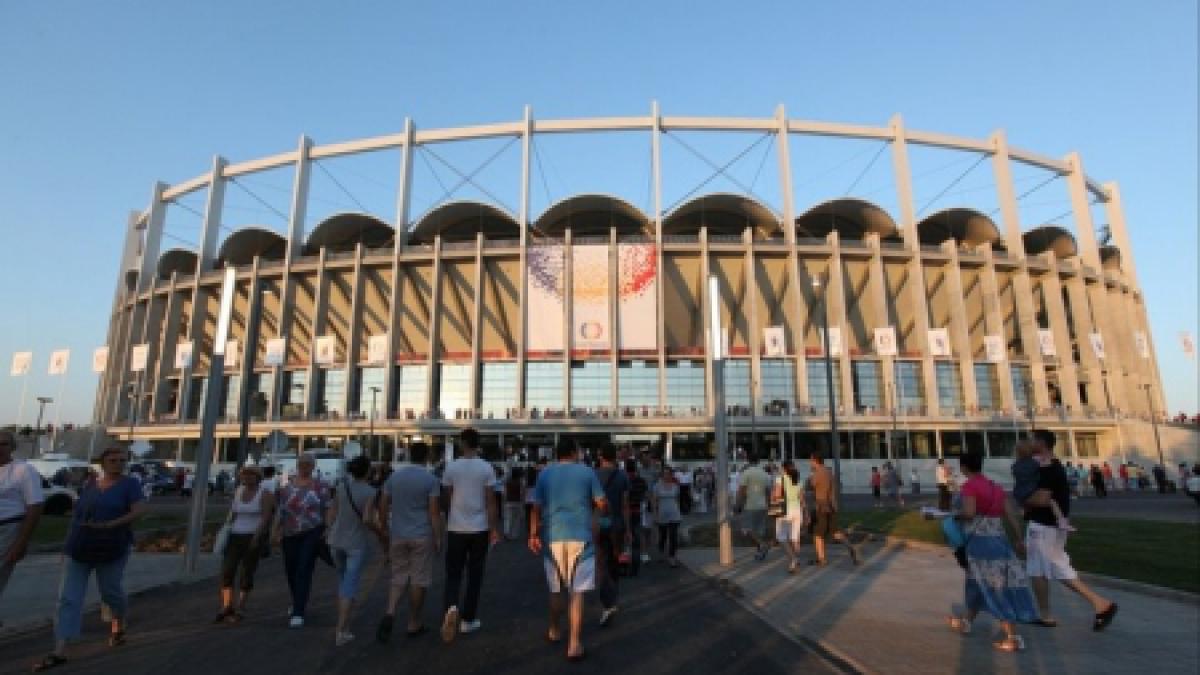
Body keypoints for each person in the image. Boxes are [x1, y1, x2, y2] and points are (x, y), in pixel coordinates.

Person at [33, 447, 146, 672]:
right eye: (113, 460)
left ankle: (119, 622)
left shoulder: (130, 484)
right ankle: (60, 649)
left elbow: (139, 510)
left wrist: (111, 525)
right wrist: (67, 547)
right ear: (102, 462)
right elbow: (77, 517)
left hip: (112, 547)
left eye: (122, 460)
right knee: (68, 598)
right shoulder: (91, 484)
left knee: (110, 591)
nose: (118, 464)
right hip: (81, 546)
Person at [1020, 429, 1118, 631]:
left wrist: (1021, 499)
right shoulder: (1049, 467)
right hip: (1053, 525)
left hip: (1044, 525)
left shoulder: (1049, 469)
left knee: (1037, 570)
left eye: (1032, 440)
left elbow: (1042, 498)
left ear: (1041, 443)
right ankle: (1101, 604)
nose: (1028, 443)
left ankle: (1045, 615)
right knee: (1059, 567)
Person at [947, 451, 1039, 652]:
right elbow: (1011, 515)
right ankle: (967, 620)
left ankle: (1012, 636)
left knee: (995, 586)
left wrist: (954, 515)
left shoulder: (970, 487)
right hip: (999, 539)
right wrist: (1018, 539)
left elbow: (970, 513)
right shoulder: (995, 487)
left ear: (963, 467)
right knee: (976, 583)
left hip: (980, 544)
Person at [528, 437, 606, 662]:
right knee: (577, 591)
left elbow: (536, 507)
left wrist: (533, 534)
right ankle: (574, 644)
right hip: (581, 536)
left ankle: (554, 630)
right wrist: (598, 510)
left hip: (552, 536)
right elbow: (601, 503)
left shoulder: (544, 474)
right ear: (574, 452)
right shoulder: (587, 472)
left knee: (556, 589)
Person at [377, 441, 443, 642]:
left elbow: (382, 504)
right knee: (418, 579)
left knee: (398, 577)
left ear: (409, 455)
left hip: (397, 533)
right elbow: (433, 512)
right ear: (427, 456)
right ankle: (414, 622)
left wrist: (384, 527)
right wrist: (438, 536)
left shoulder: (394, 477)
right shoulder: (430, 480)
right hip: (421, 534)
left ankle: (390, 612)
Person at [439, 428, 501, 643]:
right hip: (479, 528)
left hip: (456, 527)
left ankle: (451, 607)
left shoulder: (451, 467)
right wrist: (494, 527)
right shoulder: (486, 468)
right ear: (477, 443)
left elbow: (446, 497)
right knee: (475, 574)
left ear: (462, 443)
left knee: (453, 573)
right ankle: (468, 619)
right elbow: (491, 501)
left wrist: (451, 513)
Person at [326, 455, 381, 646]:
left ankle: (344, 623)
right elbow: (367, 519)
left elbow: (331, 513)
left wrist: (328, 530)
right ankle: (341, 630)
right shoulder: (370, 492)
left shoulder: (342, 488)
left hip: (336, 540)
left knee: (343, 582)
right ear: (367, 471)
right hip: (356, 543)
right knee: (349, 585)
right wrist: (380, 533)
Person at [272, 453, 331, 629]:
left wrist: (328, 528)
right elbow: (280, 511)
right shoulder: (285, 487)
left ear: (313, 466)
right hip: (290, 533)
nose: (305, 467)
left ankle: (299, 611)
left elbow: (327, 508)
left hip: (312, 531)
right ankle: (297, 599)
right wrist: (275, 530)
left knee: (304, 568)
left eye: (308, 464)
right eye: (302, 464)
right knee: (291, 569)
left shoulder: (321, 487)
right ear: (297, 465)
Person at [215, 465, 275, 624]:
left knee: (246, 572)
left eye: (251, 475)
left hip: (252, 535)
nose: (247, 478)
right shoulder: (239, 491)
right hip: (235, 535)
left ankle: (240, 606)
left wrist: (257, 536)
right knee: (227, 570)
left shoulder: (265, 494)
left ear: (258, 477)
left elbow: (265, 517)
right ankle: (226, 605)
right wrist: (225, 530)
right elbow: (233, 513)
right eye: (244, 475)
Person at [1, 430, 44, 626]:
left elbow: (35, 506)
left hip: (8, 530)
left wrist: (21, 542)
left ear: (12, 447)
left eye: (4, 444)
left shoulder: (23, 470)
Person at [593, 443, 630, 626]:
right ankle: (614, 597)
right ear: (614, 457)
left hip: (599, 524)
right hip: (617, 524)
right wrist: (629, 529)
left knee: (602, 563)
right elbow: (624, 505)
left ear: (601, 457)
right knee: (615, 560)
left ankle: (607, 602)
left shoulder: (593, 475)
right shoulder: (622, 476)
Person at [805, 452, 859, 566]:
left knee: (817, 534)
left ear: (815, 460)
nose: (810, 463)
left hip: (821, 507)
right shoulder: (829, 472)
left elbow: (809, 486)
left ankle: (821, 559)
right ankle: (851, 548)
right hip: (831, 507)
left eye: (811, 460)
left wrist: (809, 478)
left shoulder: (818, 473)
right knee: (835, 532)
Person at [1011, 441, 1073, 532]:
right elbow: (1044, 464)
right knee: (1052, 502)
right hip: (1031, 489)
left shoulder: (1016, 465)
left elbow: (1016, 475)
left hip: (1019, 491)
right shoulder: (1034, 462)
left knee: (1025, 503)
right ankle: (1061, 520)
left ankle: (1025, 512)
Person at [735, 452, 772, 561]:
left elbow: (741, 491)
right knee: (759, 531)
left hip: (750, 506)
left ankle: (763, 544)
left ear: (748, 460)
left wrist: (737, 504)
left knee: (747, 528)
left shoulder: (746, 473)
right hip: (763, 506)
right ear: (759, 461)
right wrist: (768, 504)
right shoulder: (765, 474)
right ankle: (760, 553)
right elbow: (768, 491)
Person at [773, 460, 805, 574]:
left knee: (781, 537)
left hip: (785, 511)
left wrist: (773, 496)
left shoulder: (779, 479)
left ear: (784, 468)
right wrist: (806, 513)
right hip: (797, 511)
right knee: (795, 538)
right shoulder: (798, 480)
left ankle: (793, 559)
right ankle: (796, 559)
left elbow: (776, 496)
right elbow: (802, 499)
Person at [653, 465, 683, 567]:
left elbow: (677, 500)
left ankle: (672, 557)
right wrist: (655, 514)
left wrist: (679, 512)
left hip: (674, 513)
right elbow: (655, 501)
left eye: (669, 474)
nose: (667, 476)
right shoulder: (657, 486)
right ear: (662, 475)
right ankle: (661, 552)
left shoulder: (675, 486)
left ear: (671, 475)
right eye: (665, 474)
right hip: (662, 513)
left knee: (673, 536)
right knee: (663, 536)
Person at [624, 459, 649, 576]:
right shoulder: (641, 481)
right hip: (637, 511)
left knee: (625, 537)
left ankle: (625, 563)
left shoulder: (623, 480)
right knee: (636, 536)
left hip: (624, 511)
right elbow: (645, 495)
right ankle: (635, 564)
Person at [503, 466, 525, 540]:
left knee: (508, 518)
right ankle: (514, 535)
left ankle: (506, 532)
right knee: (516, 519)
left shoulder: (508, 482)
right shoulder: (520, 482)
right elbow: (522, 493)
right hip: (517, 502)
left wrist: (505, 500)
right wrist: (522, 502)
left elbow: (505, 492)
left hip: (509, 502)